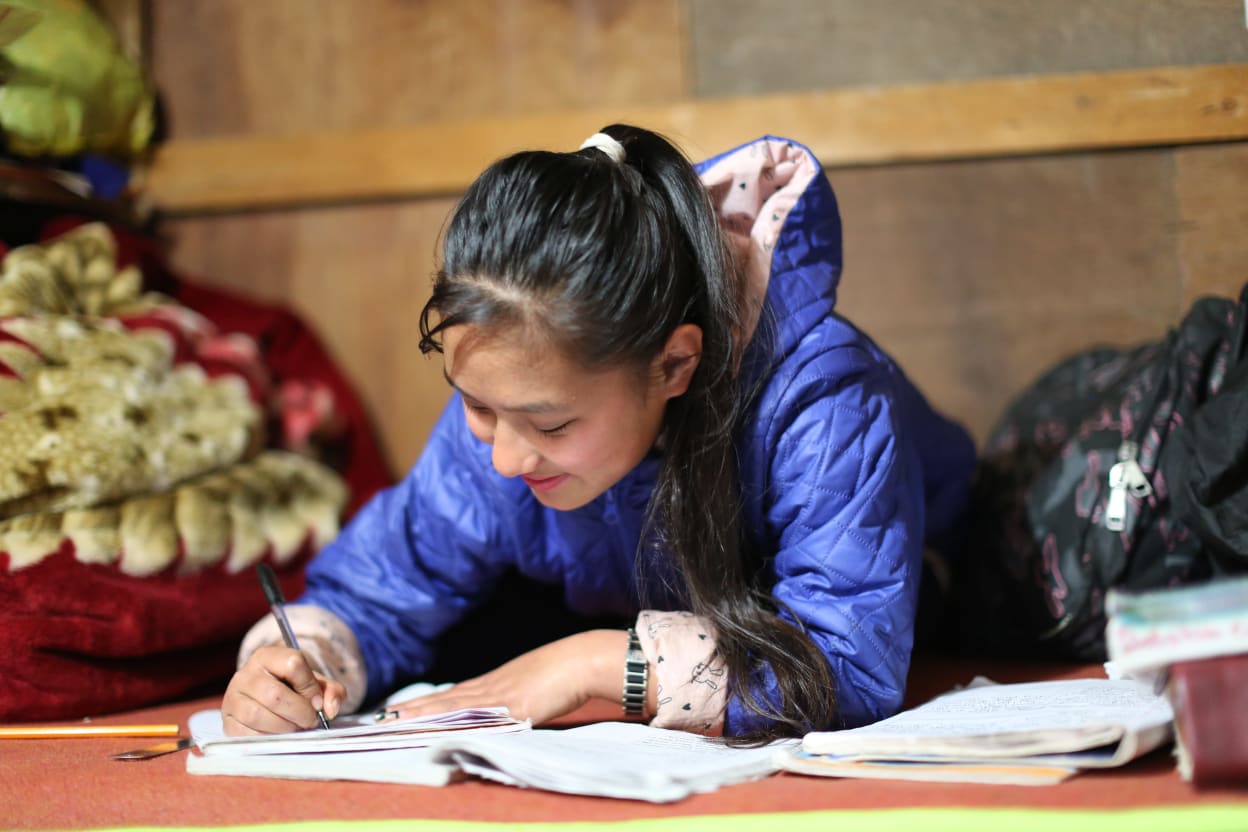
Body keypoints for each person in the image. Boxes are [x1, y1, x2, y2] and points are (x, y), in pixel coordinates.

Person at [222, 124, 976, 743]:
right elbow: (381, 590)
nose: (504, 458)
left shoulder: (822, 400)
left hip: (946, 564)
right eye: (477, 407)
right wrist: (297, 664)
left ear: (676, 363)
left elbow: (851, 656)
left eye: (549, 422)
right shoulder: (502, 420)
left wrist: (596, 666)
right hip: (654, 599)